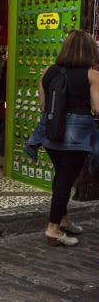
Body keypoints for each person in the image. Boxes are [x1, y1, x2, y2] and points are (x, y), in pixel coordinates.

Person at [25, 30, 99, 247]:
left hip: (51, 133)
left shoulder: (49, 71)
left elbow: (43, 104)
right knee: (65, 181)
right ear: (89, 51)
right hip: (77, 135)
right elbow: (97, 108)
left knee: (62, 177)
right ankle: (53, 228)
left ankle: (63, 219)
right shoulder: (92, 76)